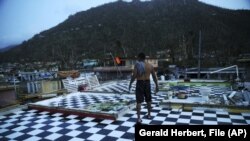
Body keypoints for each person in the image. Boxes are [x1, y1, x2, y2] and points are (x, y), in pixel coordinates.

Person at [129, 52, 159, 123]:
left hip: (140, 83)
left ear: (139, 58)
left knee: (139, 101)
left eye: (137, 58)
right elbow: (154, 77)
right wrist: (157, 86)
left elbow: (134, 75)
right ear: (144, 58)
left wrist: (130, 83)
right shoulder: (150, 66)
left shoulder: (137, 64)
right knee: (148, 100)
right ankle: (149, 115)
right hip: (147, 83)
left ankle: (139, 118)